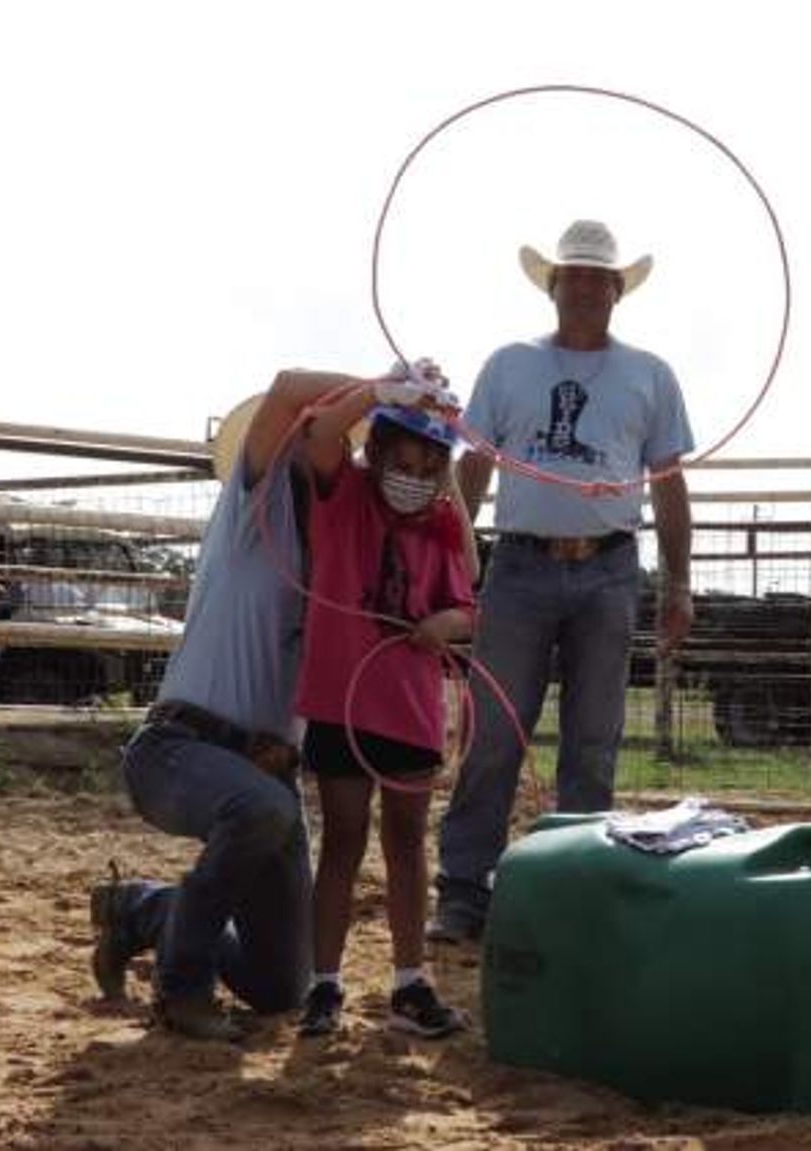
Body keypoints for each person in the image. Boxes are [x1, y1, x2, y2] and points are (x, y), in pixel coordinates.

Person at [88, 362, 449, 1041]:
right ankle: (183, 988)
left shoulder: (351, 541)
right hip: (179, 747)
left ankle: (143, 911)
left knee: (279, 982)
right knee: (264, 809)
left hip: (263, 768)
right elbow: (287, 388)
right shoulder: (252, 508)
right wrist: (385, 387)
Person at [430, 219, 696, 943]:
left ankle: (574, 882)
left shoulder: (651, 374)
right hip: (519, 562)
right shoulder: (508, 364)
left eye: (595, 278)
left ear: (616, 291)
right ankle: (463, 888)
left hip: (610, 565)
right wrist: (455, 559)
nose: (582, 287)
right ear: (553, 287)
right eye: (571, 275)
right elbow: (473, 470)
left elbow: (669, 487)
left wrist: (678, 584)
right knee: (493, 733)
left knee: (593, 737)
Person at [290, 385, 477, 1039]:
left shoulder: (445, 527)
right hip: (343, 699)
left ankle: (408, 981)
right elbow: (317, 433)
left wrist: (440, 623)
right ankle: (324, 983)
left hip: (409, 705)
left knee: (406, 841)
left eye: (431, 471)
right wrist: (379, 390)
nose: (416, 481)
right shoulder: (341, 501)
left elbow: (465, 606)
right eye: (405, 464)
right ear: (376, 453)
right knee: (342, 838)